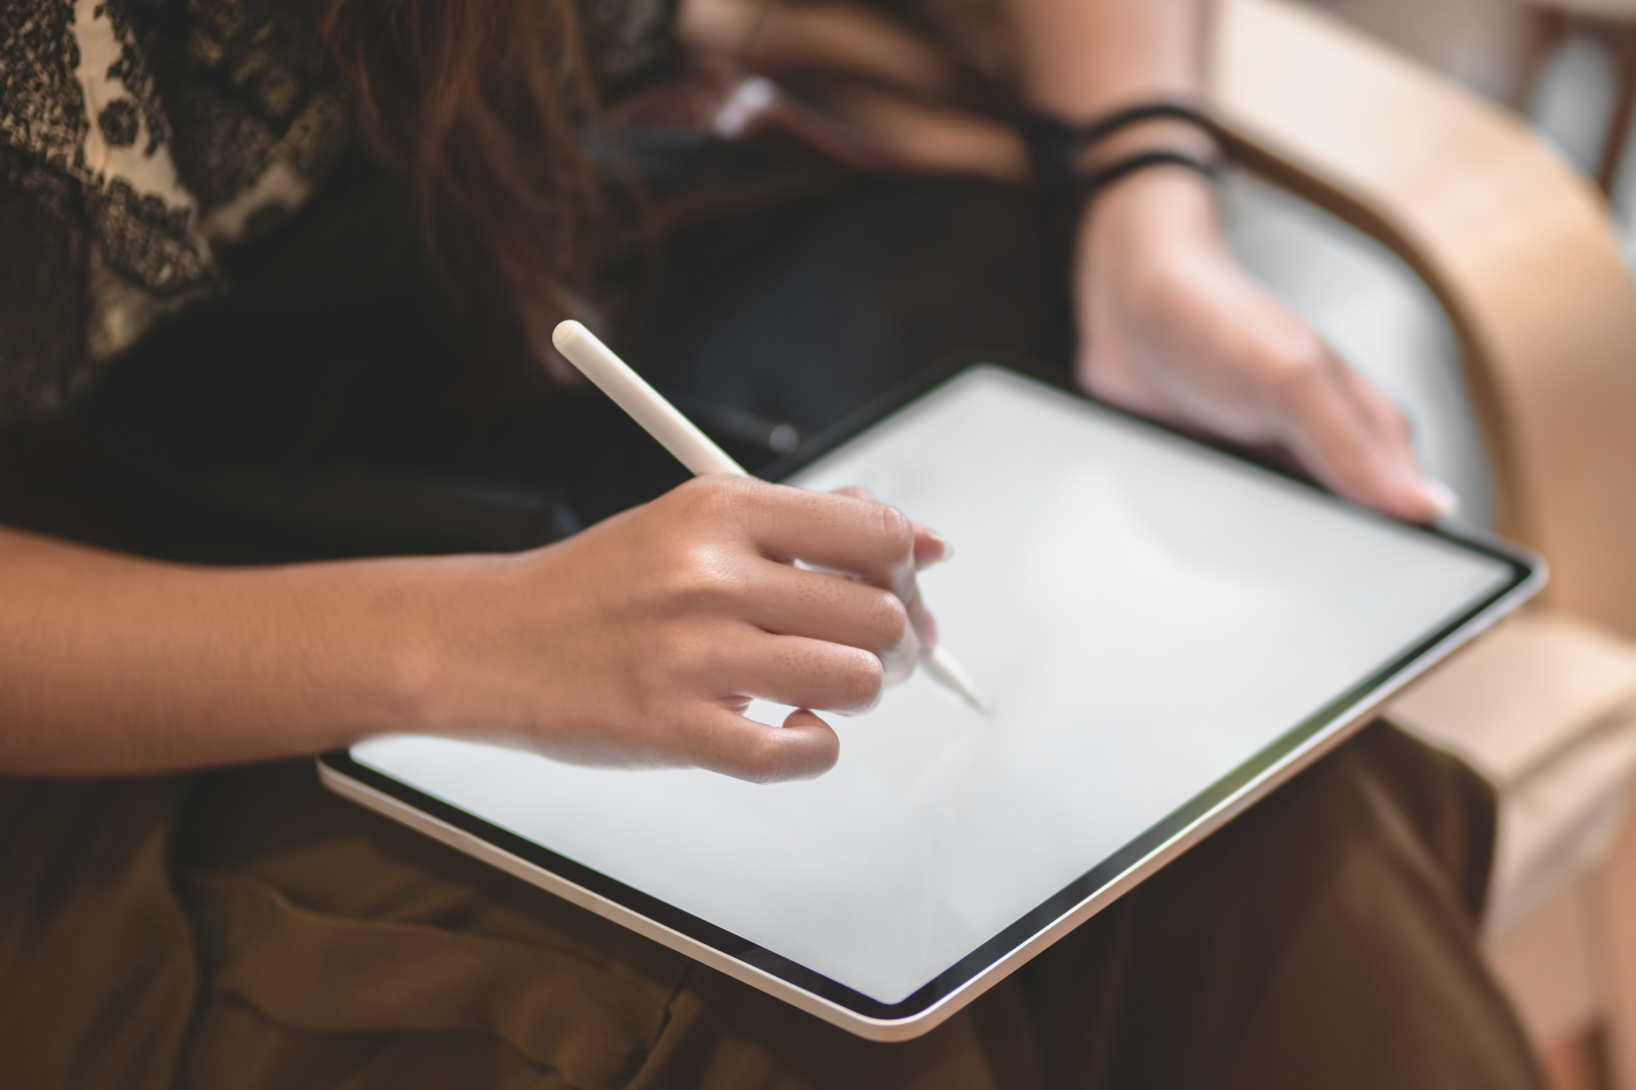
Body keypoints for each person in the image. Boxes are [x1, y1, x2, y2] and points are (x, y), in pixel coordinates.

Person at [0, 0, 1540, 1086]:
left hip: (524, 314)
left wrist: (1142, 203)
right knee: (815, 1005)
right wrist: (459, 642)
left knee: (1234, 819)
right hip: (103, 657)